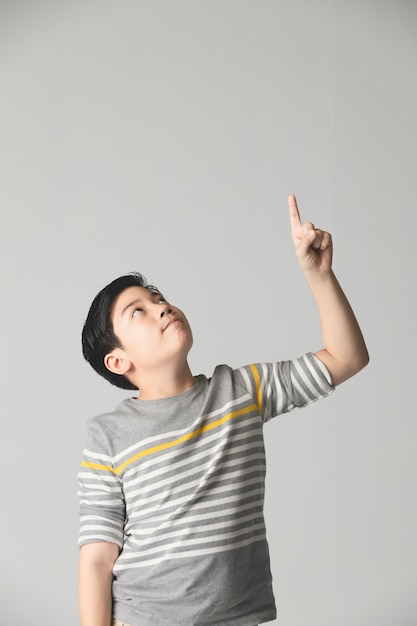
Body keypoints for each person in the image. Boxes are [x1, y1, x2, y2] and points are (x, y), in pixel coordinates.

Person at [78, 195, 369, 626]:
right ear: (119, 361)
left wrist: (319, 276)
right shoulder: (108, 435)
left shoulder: (242, 391)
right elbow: (98, 560)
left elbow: (347, 358)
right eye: (137, 311)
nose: (161, 305)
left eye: (158, 297)